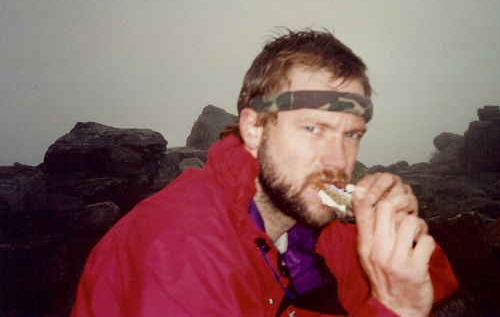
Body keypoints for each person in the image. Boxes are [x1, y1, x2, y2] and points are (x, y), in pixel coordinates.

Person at [72, 29, 458, 316]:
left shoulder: (310, 214)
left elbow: (433, 284)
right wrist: (394, 308)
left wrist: (398, 229)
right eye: (313, 129)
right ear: (254, 129)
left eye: (351, 134)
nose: (341, 162)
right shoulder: (182, 250)